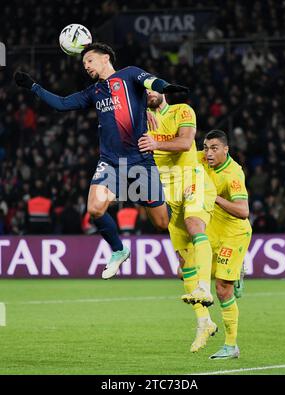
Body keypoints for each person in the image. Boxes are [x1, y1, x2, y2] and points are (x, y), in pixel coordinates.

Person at [14, 42, 189, 280]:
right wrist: (33, 86)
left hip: (140, 161)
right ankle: (119, 250)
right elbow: (62, 104)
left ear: (105, 58)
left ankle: (191, 239)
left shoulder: (129, 74)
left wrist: (167, 87)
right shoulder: (93, 92)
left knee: (161, 223)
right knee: (95, 209)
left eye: (89, 61)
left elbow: (152, 82)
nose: (85, 66)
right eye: (83, 63)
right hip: (111, 162)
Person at [138, 90, 217, 353]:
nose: (148, 93)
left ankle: (205, 287)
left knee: (196, 225)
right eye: (144, 90)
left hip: (191, 180)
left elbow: (185, 144)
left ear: (163, 92)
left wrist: (154, 143)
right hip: (165, 189)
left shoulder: (182, 110)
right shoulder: (141, 117)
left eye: (152, 88)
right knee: (184, 264)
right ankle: (203, 322)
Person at [198, 130, 252, 359]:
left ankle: (231, 346)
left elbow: (243, 211)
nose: (208, 153)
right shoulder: (202, 158)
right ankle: (235, 272)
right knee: (188, 276)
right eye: (206, 147)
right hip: (211, 232)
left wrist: (214, 196)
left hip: (233, 234)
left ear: (226, 149)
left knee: (222, 289)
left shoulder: (233, 174)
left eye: (214, 148)